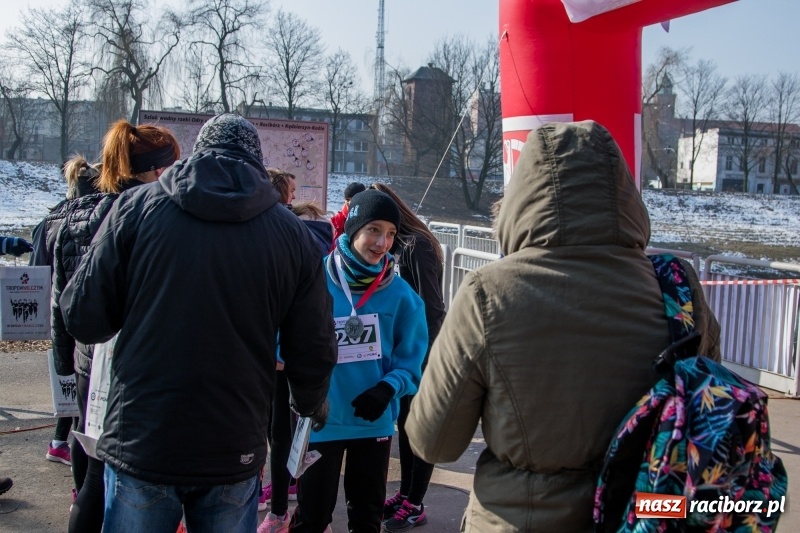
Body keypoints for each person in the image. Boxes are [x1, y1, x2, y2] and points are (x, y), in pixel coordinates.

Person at [405, 121, 720, 532]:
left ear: (521, 197)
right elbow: (708, 407)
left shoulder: (488, 293)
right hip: (649, 515)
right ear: (625, 194)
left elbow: (435, 442)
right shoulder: (676, 286)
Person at [60, 113, 337, 533]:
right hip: (233, 442)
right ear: (257, 161)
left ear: (197, 153)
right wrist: (309, 400)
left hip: (144, 435)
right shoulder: (291, 234)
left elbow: (82, 316)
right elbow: (314, 342)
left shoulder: (135, 209)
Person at [53, 120, 181, 533]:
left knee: (90, 472)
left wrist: (64, 362)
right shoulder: (143, 212)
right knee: (120, 480)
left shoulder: (75, 210)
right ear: (158, 169)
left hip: (86, 359)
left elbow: (62, 297)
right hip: (125, 362)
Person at [288, 189, 428, 533]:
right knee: (312, 518)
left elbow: (412, 362)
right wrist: (303, 386)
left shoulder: (403, 296)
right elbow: (283, 340)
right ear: (353, 230)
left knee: (366, 519)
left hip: (373, 422)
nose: (382, 243)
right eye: (373, 230)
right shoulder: (313, 280)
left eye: (390, 233)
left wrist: (388, 387)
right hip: (321, 420)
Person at [368, 183, 445, 531]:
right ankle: (405, 493)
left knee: (420, 427)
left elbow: (432, 306)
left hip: (422, 351)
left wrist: (418, 353)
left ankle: (416, 502)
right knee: (406, 425)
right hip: (405, 349)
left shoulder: (417, 245)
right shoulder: (400, 245)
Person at [257, 199, 333, 533]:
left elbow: (278, 307)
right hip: (307, 361)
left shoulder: (285, 249)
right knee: (304, 439)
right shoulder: (327, 259)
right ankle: (306, 514)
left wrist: (275, 350)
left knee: (283, 438)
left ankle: (282, 514)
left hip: (283, 362)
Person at [30, 156, 100, 470]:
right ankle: (69, 446)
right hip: (87, 311)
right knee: (85, 383)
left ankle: (60, 442)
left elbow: (36, 270)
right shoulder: (98, 215)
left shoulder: (51, 219)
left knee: (67, 378)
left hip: (57, 310)